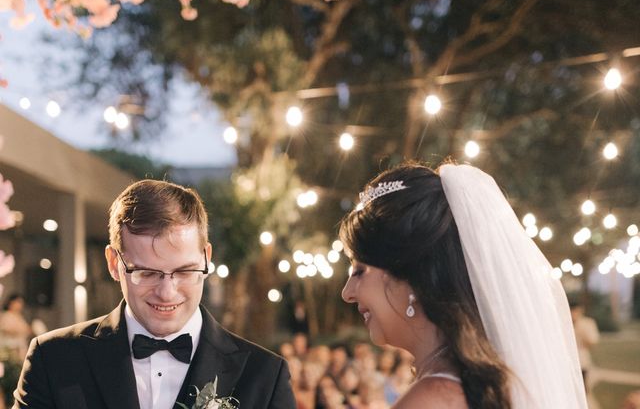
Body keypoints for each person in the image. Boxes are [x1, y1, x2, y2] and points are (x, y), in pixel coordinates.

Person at [13, 179, 295, 408]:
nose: (166, 292)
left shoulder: (265, 376)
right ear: (114, 264)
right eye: (146, 273)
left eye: (185, 272)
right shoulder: (53, 359)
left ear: (206, 258)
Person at [340, 162, 587, 408]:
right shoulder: (480, 382)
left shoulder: (433, 400)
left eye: (359, 271)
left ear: (413, 280)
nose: (347, 293)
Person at [569, 300, 600, 391]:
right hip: (567, 361)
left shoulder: (587, 323)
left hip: (581, 360)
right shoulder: (563, 322)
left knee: (582, 388)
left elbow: (592, 341)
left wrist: (578, 327)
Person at [0, 294, 32, 361]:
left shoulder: (20, 317)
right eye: (18, 302)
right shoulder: (7, 315)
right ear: (11, 303)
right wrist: (18, 330)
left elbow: (25, 330)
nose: (20, 305)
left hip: (21, 348)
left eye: (21, 303)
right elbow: (6, 330)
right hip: (11, 348)